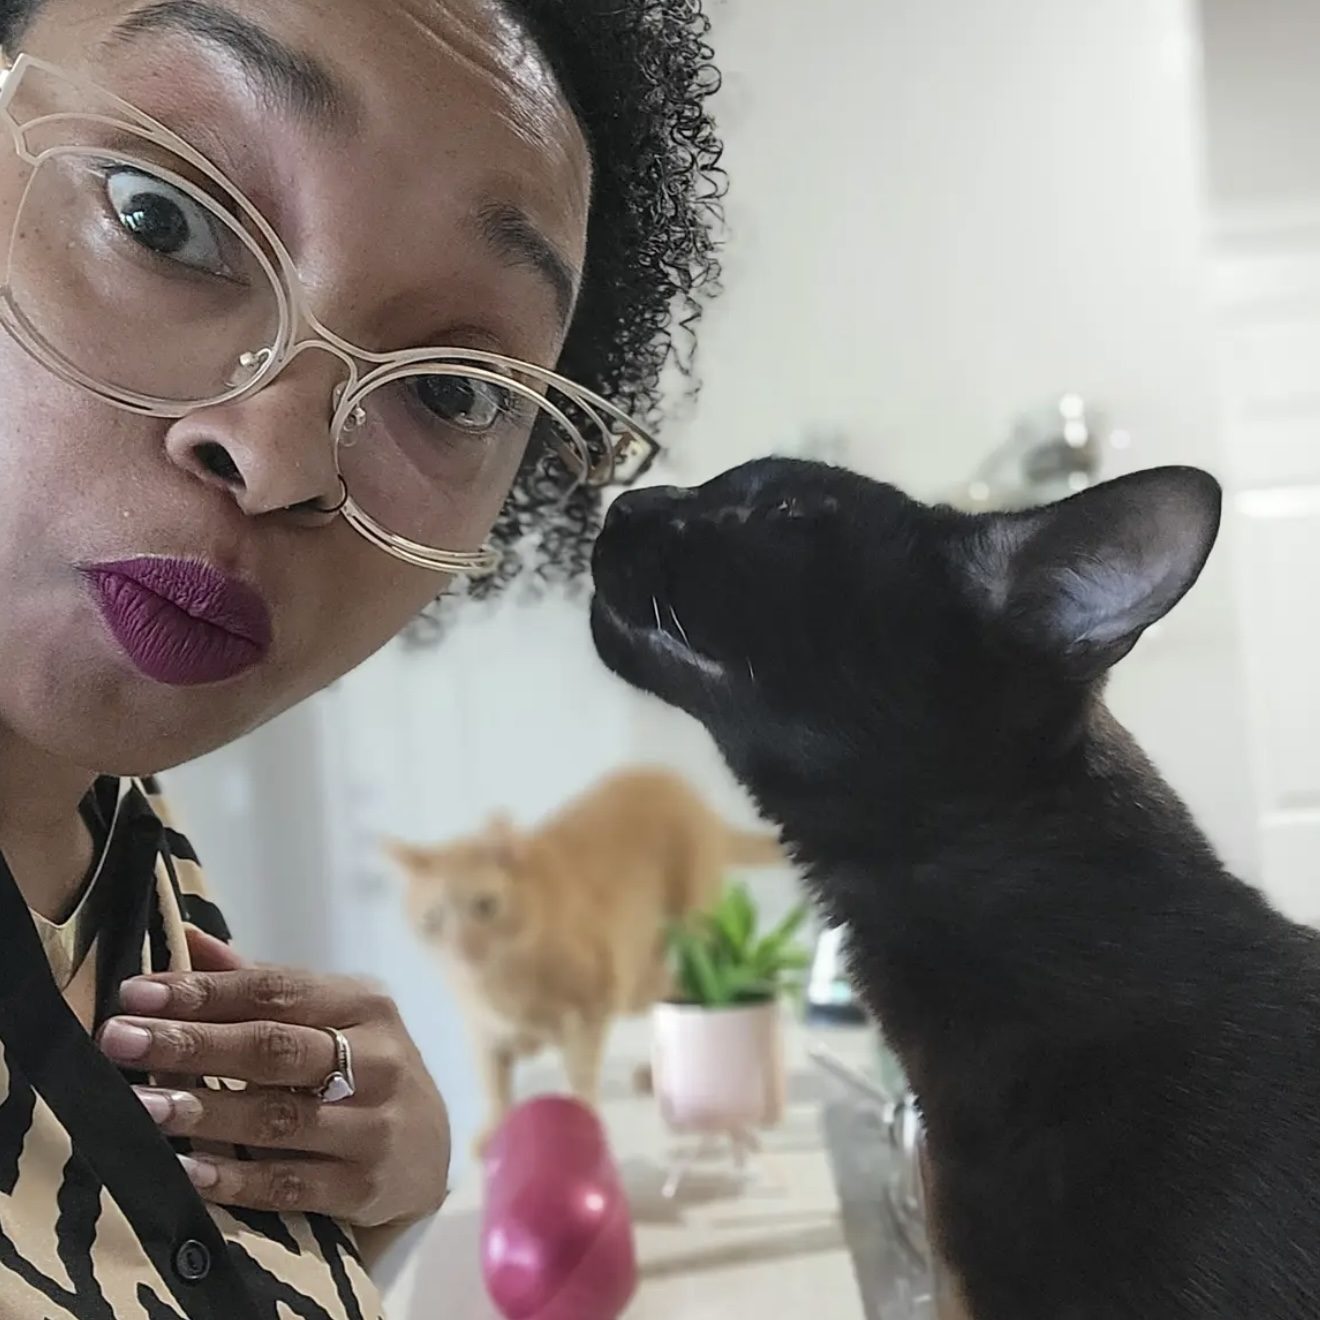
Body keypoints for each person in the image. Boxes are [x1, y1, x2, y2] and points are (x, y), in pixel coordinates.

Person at [0, 0, 724, 1315]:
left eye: (451, 390)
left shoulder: (118, 836)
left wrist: (365, 1225)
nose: (281, 458)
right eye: (162, 217)